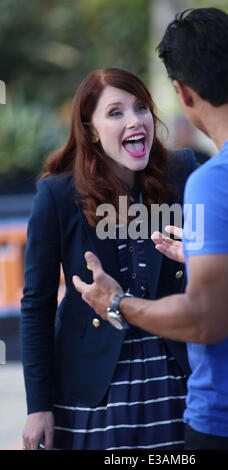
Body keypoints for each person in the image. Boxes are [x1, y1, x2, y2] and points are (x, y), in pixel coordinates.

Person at [73, 8, 228, 450]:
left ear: (183, 93)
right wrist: (204, 253)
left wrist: (118, 302)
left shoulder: (215, 180)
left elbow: (206, 319)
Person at [21, 67, 199, 450]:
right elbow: (35, 305)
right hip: (92, 390)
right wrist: (38, 407)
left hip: (178, 379)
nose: (134, 120)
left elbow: (220, 266)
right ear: (90, 130)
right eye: (115, 112)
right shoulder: (57, 195)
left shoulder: (182, 173)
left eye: (140, 108)